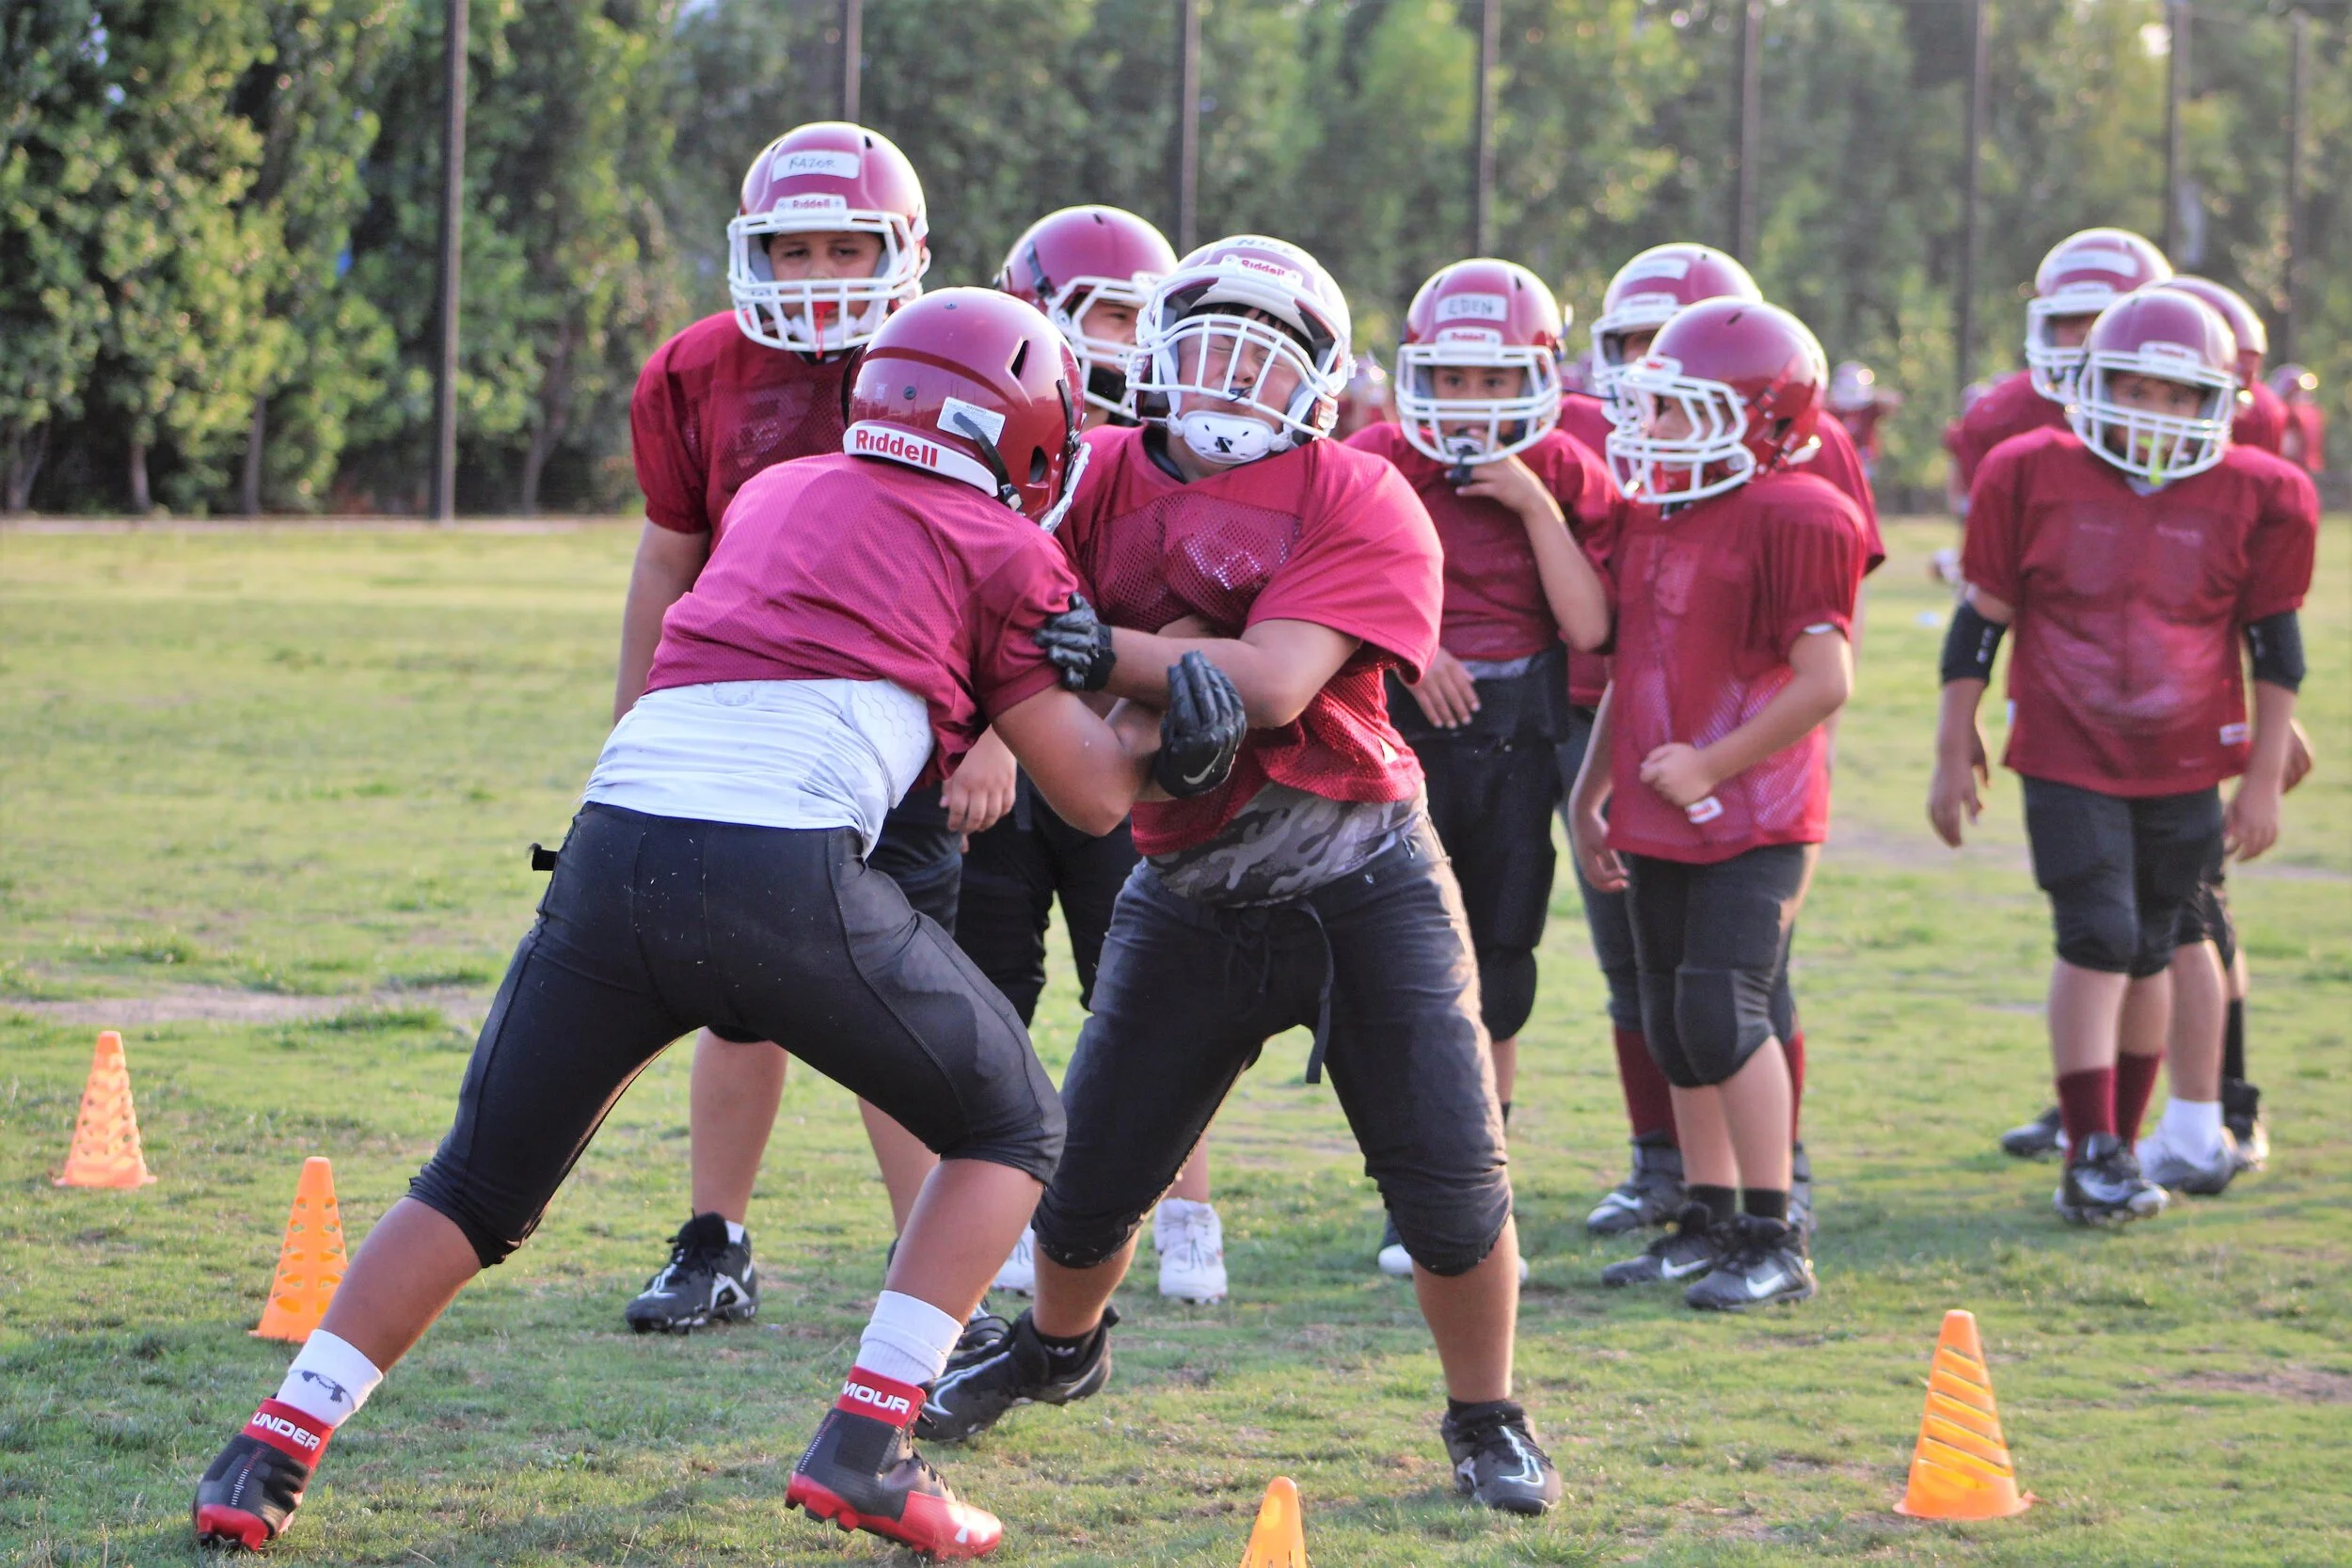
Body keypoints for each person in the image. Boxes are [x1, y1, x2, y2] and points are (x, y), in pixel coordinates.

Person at [191, 290, 1251, 1560]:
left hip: (612, 844)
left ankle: (268, 1447)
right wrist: (1171, 741)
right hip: (774, 867)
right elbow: (1088, 791)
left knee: (474, 1179)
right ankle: (868, 1438)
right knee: (1016, 1122)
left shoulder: (783, 488)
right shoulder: (1004, 545)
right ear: (1023, 430)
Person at [917, 235, 1565, 1517]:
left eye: (1264, 357)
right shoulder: (1091, 472)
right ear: (1153, 355)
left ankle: (1487, 1408)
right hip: (1188, 877)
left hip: (1357, 870)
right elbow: (1015, 628)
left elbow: (1267, 683)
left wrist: (1110, 648)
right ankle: (1059, 1347)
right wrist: (1152, 676)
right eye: (1207, 345)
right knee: (1089, 1177)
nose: (1227, 379)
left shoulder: (1359, 492)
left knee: (1449, 1179)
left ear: (1322, 382)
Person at [614, 121, 966, 1334]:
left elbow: (1014, 567)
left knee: (905, 998)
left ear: (903, 248)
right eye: (793, 247)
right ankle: (716, 1239)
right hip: (741, 724)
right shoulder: (696, 371)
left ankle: (936, 1275)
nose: (817, 273)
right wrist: (635, 728)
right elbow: (670, 553)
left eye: (842, 245)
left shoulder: (959, 359)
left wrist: (1000, 737)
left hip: (909, 724)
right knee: (734, 992)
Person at [1929, 288, 2315, 1225]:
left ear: (2216, 400)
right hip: (2066, 747)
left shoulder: (2259, 494)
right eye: (2134, 389)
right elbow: (1980, 621)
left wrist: (2261, 775)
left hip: (2188, 758)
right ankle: (2089, 1144)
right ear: (2092, 385)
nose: (2154, 414)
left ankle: (2119, 1145)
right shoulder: (2030, 473)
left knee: (2150, 947)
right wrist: (1954, 740)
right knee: (2096, 934)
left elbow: (2275, 644)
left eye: (2178, 396)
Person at [1569, 244, 1882, 1242]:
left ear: (1758, 415)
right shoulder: (1656, 511)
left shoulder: (1801, 509)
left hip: (1754, 809)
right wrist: (1589, 791)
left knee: (1722, 1009)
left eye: (1672, 407)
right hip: (1658, 803)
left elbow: (1827, 678)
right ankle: (1704, 1215)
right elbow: (1635, 666)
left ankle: (1771, 1225)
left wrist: (1708, 762)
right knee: (1669, 1020)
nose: (1648, 425)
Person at [964, 203, 1231, 1306]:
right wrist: (983, 733)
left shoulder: (1182, 445)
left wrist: (1144, 690)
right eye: (1108, 313)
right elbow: (969, 593)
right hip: (1003, 750)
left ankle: (1186, 1210)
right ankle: (993, 1218)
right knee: (980, 1000)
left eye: (1142, 316)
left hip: (1122, 747)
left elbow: (1205, 607)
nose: (1129, 338)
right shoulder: (986, 420)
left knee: (1151, 997)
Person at [1346, 258, 1612, 1276]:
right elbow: (1333, 594)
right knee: (1396, 970)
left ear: (1536, 376)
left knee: (1498, 965)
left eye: (1493, 380)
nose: (1468, 404)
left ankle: (1478, 1187)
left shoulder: (1566, 467)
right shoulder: (1374, 458)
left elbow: (1589, 625)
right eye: (1451, 379)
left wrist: (1538, 506)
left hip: (1517, 739)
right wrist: (1416, 643)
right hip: (1397, 730)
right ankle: (1403, 1195)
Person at [1943, 228, 2171, 523]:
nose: (2085, 331)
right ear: (2045, 326)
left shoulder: (2234, 413)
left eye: (2108, 315)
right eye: (2070, 318)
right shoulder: (2002, 416)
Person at [1826, 359, 1903, 484]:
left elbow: (1894, 402)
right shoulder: (1831, 409)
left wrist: (1873, 395)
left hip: (1864, 463)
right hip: (1837, 464)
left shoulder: (1869, 408)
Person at [2270, 364, 2327, 475]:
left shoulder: (2310, 413)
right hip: (2287, 468)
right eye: (2295, 393)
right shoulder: (2283, 413)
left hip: (2305, 469)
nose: (2301, 397)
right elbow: (2286, 448)